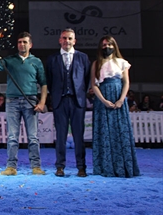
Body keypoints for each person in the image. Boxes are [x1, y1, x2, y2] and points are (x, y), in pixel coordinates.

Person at [0, 32, 47, 176]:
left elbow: (43, 83)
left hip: (30, 101)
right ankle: (11, 167)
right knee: (12, 136)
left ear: (30, 45)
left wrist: (43, 102)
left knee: (33, 136)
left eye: (25, 42)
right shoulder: (10, 60)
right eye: (20, 42)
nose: (22, 44)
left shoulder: (36, 62)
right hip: (12, 101)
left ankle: (36, 166)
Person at [90, 35, 140, 178]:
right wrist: (104, 101)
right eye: (104, 45)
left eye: (109, 45)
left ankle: (124, 166)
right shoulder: (96, 63)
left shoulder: (122, 63)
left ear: (114, 46)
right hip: (102, 99)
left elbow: (126, 83)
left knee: (120, 132)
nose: (107, 47)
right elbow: (93, 84)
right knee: (104, 132)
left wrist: (121, 100)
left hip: (119, 99)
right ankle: (105, 167)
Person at [46, 28, 90, 178]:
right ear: (60, 40)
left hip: (77, 102)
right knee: (61, 136)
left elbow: (87, 79)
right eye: (64, 38)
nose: (67, 41)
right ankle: (60, 167)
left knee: (79, 136)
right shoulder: (52, 59)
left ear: (74, 41)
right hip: (60, 101)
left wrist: (80, 95)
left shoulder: (83, 58)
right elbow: (49, 81)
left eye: (70, 38)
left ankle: (81, 167)